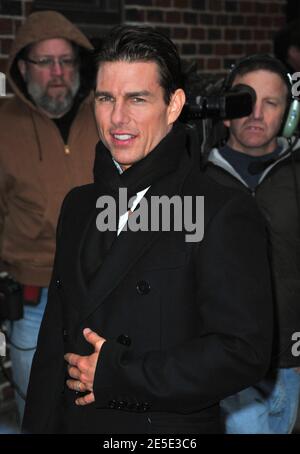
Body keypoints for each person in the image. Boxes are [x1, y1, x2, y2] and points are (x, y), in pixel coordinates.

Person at [23, 26, 273, 434]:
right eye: (106, 99)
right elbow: (55, 342)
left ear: (173, 106)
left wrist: (121, 374)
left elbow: (242, 352)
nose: (118, 118)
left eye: (137, 99)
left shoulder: (220, 209)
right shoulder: (79, 205)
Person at [0, 10, 99, 423]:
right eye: (45, 61)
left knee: (102, 407)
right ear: (23, 68)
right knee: (36, 411)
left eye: (66, 61)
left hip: (103, 291)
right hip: (34, 298)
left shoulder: (106, 115)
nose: (57, 72)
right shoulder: (3, 125)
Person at [203, 54, 300, 434]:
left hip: (291, 366)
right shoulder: (193, 181)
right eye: (245, 101)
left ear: (289, 114)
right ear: (226, 112)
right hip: (223, 371)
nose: (256, 114)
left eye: (271, 102)